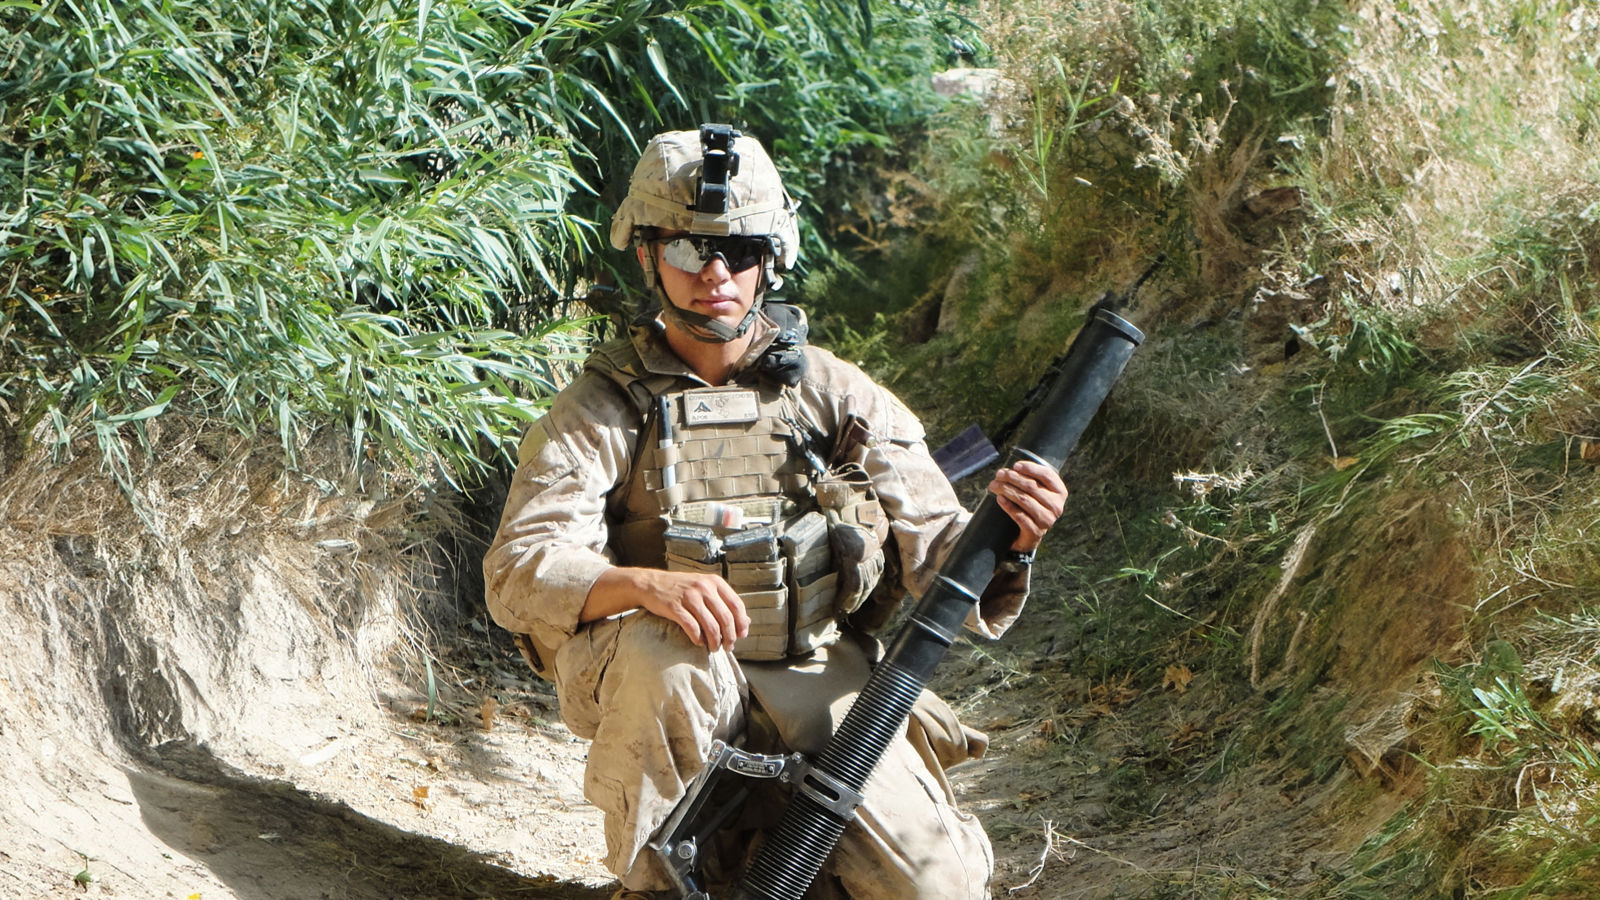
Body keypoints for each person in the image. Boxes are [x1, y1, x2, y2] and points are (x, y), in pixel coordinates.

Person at [483, 125, 1068, 900]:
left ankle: (760, 854)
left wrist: (1012, 539)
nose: (715, 273)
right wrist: (647, 587)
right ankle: (654, 884)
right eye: (688, 249)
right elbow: (521, 569)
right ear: (648, 257)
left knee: (939, 889)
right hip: (665, 678)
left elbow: (940, 557)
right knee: (668, 653)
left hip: (816, 672)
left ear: (772, 258)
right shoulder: (602, 407)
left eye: (740, 251)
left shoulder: (833, 393)